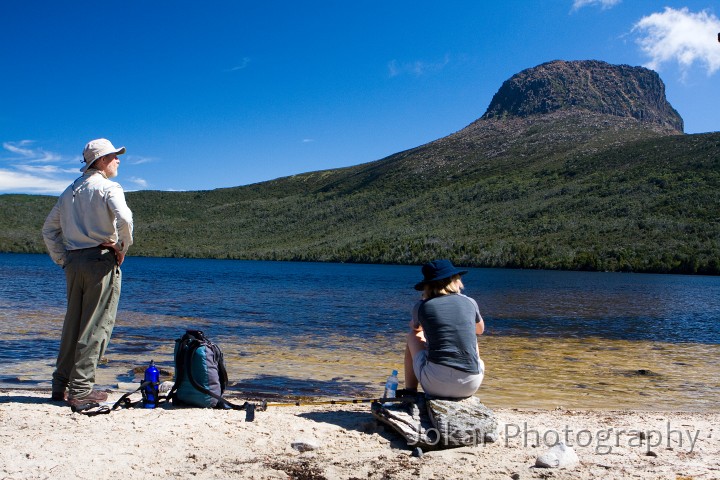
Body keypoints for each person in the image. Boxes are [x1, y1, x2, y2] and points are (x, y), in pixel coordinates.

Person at [42, 138, 134, 406]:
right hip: (100, 260)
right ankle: (81, 390)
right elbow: (125, 219)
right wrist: (121, 249)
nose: (118, 160)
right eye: (115, 156)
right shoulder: (108, 187)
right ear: (102, 160)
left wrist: (63, 259)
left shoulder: (69, 191)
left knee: (73, 325)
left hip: (74, 262)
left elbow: (48, 230)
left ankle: (59, 386)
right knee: (96, 326)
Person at [404, 259, 485, 398]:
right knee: (472, 337)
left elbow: (416, 328)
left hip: (435, 384)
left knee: (413, 336)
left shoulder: (422, 306)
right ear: (455, 280)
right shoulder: (470, 302)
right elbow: (480, 330)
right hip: (470, 385)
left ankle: (410, 391)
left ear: (427, 286)